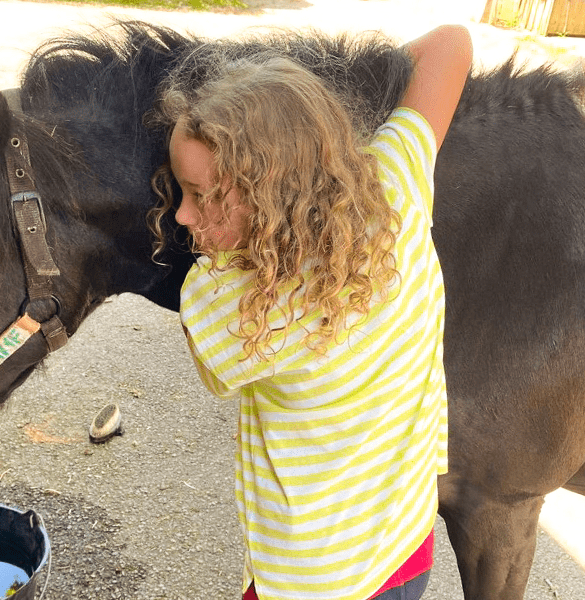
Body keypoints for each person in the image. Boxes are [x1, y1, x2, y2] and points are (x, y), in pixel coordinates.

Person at [147, 24, 472, 600]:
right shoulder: (394, 183)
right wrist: (299, 106)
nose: (183, 219)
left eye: (202, 196)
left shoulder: (230, 305)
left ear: (273, 194)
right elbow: (451, 44)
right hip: (406, 547)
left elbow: (212, 358)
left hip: (311, 583)